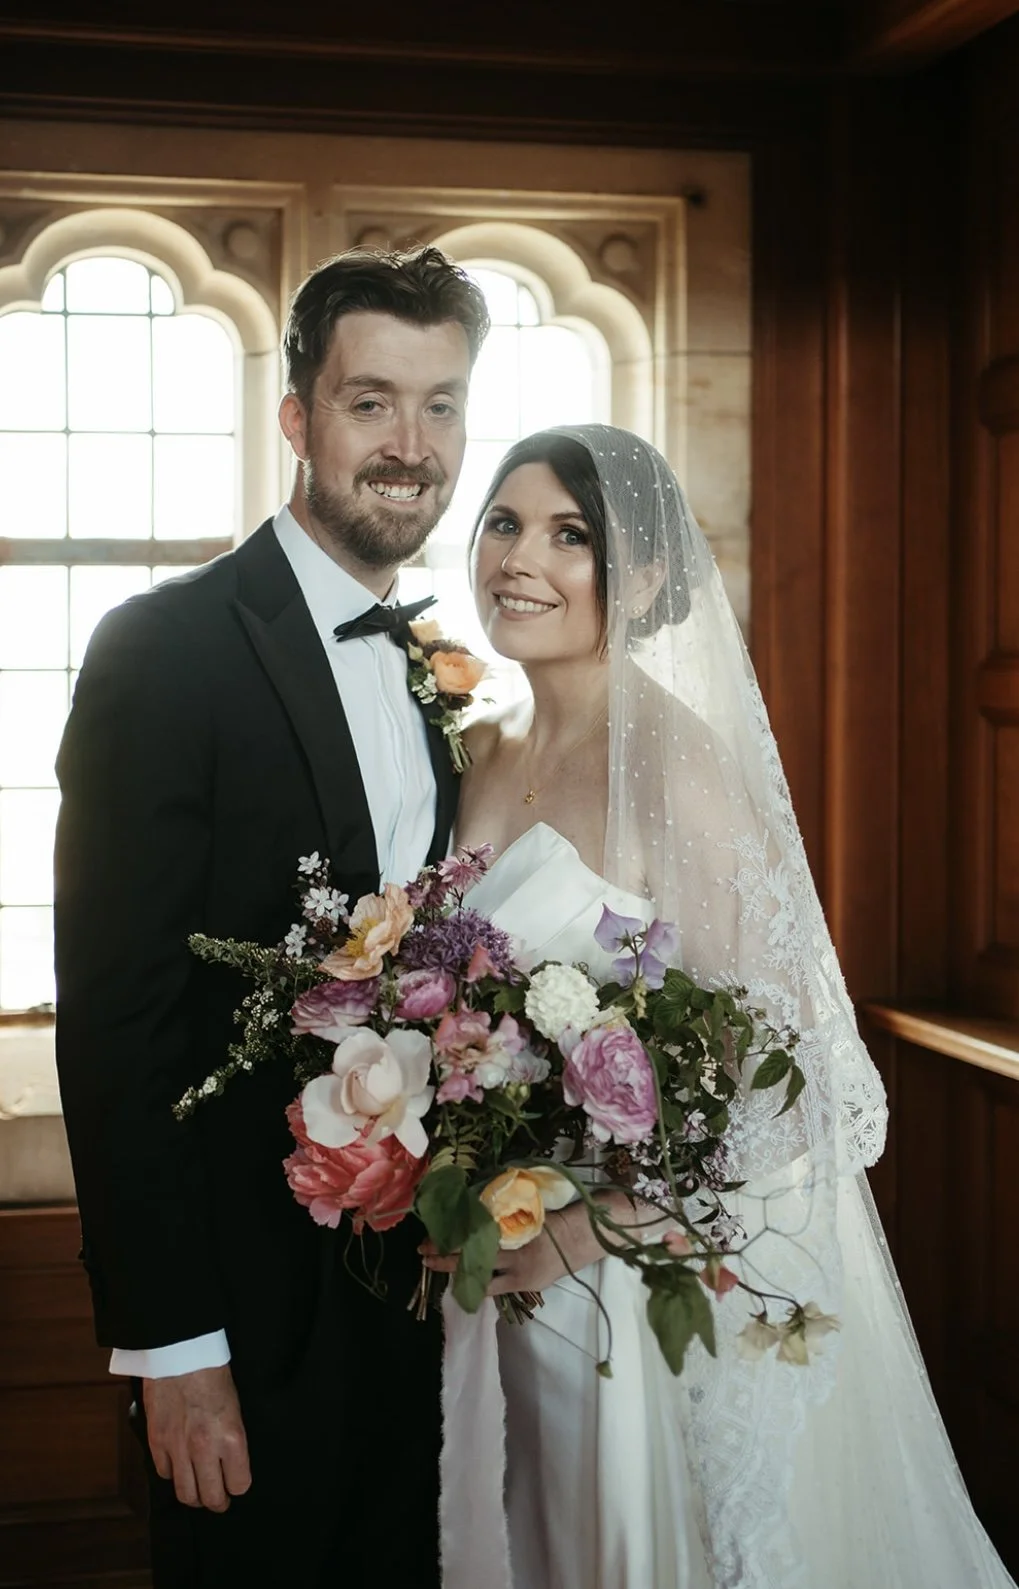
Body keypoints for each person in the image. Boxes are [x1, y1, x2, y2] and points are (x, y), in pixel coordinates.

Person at [434, 423, 1018, 1588]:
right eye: (502, 522)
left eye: (568, 536)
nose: (517, 558)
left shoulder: (671, 763)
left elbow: (792, 1077)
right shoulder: (480, 742)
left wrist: (593, 1225)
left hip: (626, 1289)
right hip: (491, 1263)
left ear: (642, 577)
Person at [53, 245, 489, 1587]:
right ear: (296, 419)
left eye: (440, 405)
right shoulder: (161, 649)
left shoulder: (428, 664)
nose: (408, 447)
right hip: (246, 1324)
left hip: (432, 1309)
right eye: (370, 403)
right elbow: (117, 1022)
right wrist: (173, 1348)